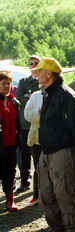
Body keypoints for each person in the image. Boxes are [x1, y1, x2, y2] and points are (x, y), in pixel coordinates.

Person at [35, 57, 75, 232]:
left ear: (49, 73)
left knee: (66, 194)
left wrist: (73, 150)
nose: (36, 72)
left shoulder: (65, 94)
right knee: (46, 195)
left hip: (62, 152)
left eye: (40, 70)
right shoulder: (48, 93)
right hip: (47, 151)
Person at [15, 55, 41, 192]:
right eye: (31, 63)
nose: (34, 65)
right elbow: (19, 97)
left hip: (40, 125)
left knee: (40, 154)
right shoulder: (23, 81)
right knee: (24, 155)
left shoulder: (43, 81)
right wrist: (32, 101)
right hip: (26, 124)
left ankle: (41, 183)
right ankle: (24, 181)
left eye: (36, 63)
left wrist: (31, 98)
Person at [0, 70, 20, 211]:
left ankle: (10, 201)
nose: (6, 86)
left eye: (8, 83)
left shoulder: (14, 102)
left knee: (10, 172)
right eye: (3, 83)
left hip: (11, 144)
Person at [24, 86, 44, 207]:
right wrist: (38, 111)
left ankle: (51, 197)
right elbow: (27, 115)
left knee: (52, 168)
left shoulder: (59, 94)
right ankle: (36, 195)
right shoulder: (36, 96)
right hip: (37, 138)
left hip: (53, 139)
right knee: (37, 167)